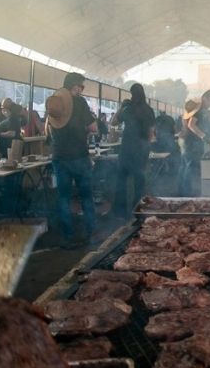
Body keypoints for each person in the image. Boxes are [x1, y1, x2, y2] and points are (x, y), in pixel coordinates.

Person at [46, 72, 99, 245]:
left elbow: (48, 130)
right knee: (86, 196)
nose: (81, 90)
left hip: (59, 156)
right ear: (75, 86)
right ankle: (91, 232)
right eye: (81, 86)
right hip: (78, 157)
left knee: (63, 197)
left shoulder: (55, 103)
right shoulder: (79, 102)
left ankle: (67, 237)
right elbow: (93, 127)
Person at [111, 83, 155, 216]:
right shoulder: (149, 110)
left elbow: (113, 122)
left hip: (126, 150)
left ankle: (120, 212)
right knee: (139, 182)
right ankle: (137, 211)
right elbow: (151, 134)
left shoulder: (127, 109)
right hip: (141, 151)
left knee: (121, 181)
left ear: (132, 94)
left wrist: (121, 107)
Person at [180, 90, 210, 196]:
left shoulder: (196, 108)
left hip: (186, 141)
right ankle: (187, 194)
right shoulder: (199, 110)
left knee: (184, 167)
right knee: (189, 167)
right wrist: (204, 137)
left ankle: (183, 191)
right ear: (204, 98)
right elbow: (192, 125)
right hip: (191, 142)